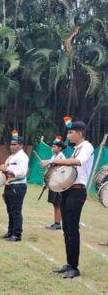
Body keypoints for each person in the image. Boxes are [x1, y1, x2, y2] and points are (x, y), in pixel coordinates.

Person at [40, 117, 94, 279]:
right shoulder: (77, 148)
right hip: (68, 190)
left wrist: (54, 160)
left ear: (79, 133)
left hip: (77, 191)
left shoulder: (87, 146)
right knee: (66, 229)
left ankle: (74, 267)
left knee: (72, 229)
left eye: (70, 133)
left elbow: (78, 162)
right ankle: (69, 263)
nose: (68, 136)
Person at [0, 130, 29, 242]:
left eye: (15, 144)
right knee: (10, 210)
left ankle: (17, 234)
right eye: (11, 144)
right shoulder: (12, 156)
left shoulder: (22, 157)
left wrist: (6, 168)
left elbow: (22, 172)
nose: (12, 146)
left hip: (18, 186)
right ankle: (10, 231)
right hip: (10, 185)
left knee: (16, 211)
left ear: (21, 145)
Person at [45, 136, 66, 230]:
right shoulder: (54, 156)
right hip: (53, 182)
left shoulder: (61, 157)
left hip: (58, 183)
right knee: (55, 203)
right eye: (52, 146)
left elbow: (61, 170)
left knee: (58, 203)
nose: (52, 148)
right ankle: (56, 222)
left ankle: (58, 223)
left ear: (60, 148)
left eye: (54, 146)